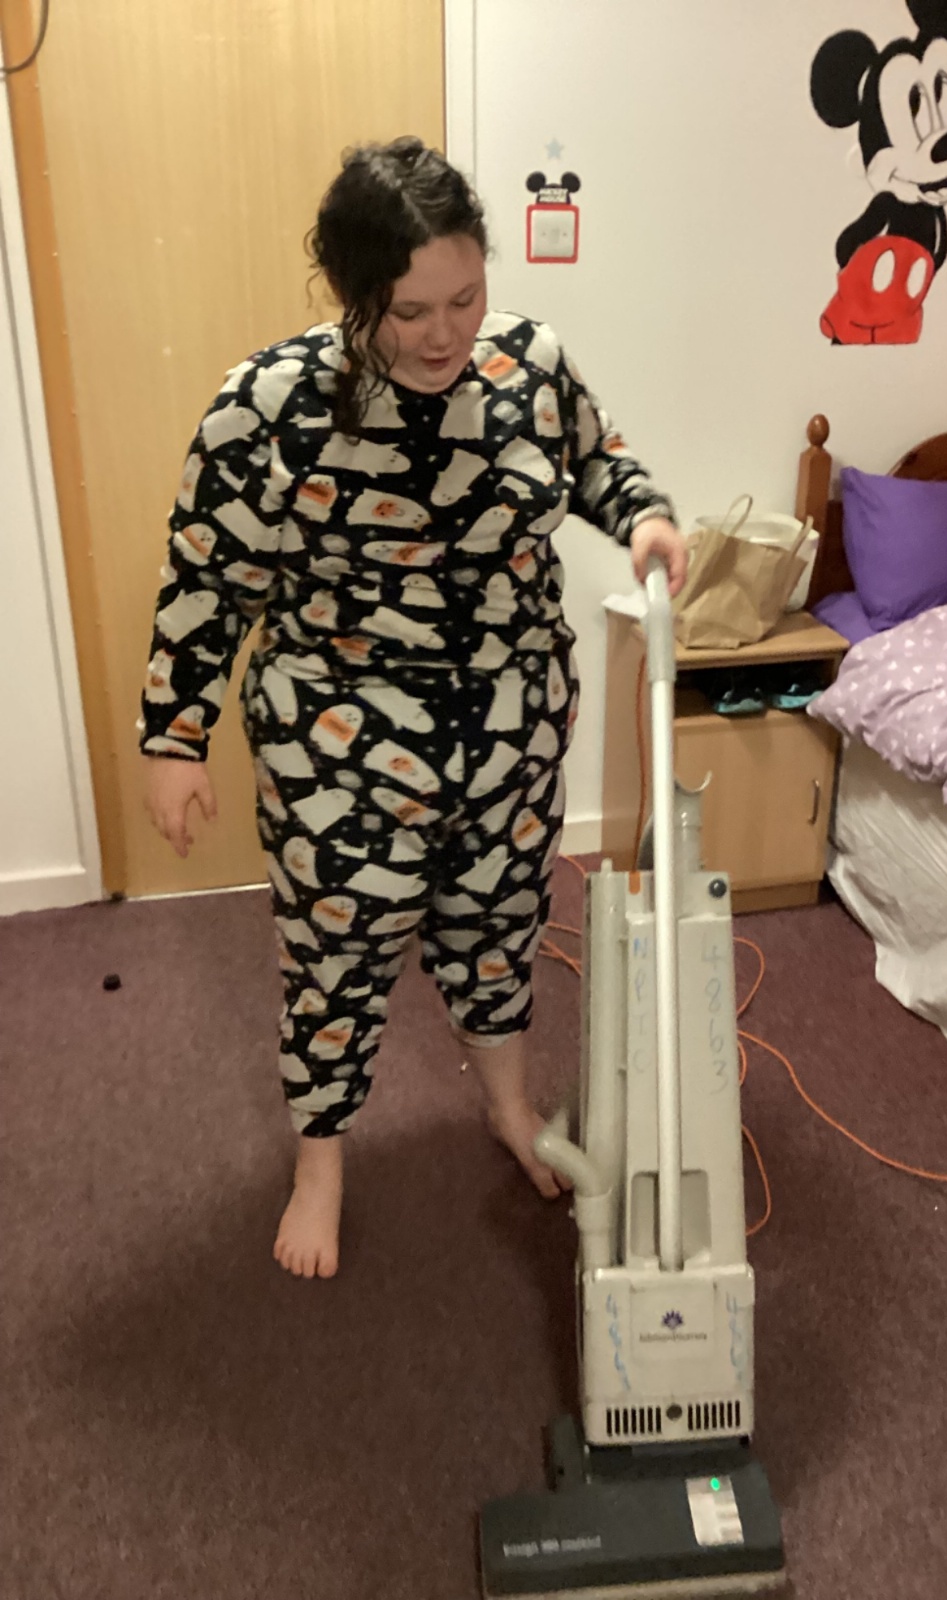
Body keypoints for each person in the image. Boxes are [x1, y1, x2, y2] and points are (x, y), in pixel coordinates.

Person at [140, 136, 688, 1281]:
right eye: (411, 311)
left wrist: (643, 516)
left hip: (510, 723)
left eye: (465, 298)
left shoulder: (531, 366)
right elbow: (204, 580)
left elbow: (599, 461)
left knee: (500, 925)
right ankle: (322, 1162)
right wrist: (174, 738)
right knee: (336, 953)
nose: (445, 334)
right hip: (339, 735)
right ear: (352, 294)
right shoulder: (268, 407)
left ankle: (507, 1103)